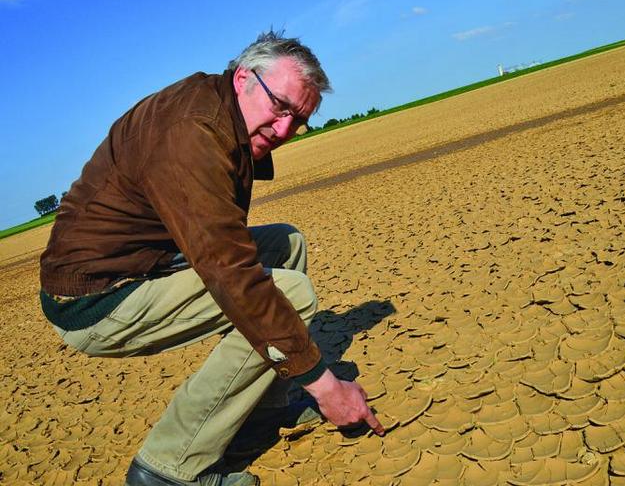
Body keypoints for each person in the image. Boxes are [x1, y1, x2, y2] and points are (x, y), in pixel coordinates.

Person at [39, 31, 384, 486]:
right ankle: (167, 469)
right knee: (287, 294)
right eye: (280, 107)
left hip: (145, 264)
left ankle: (263, 411)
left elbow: (225, 245)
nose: (283, 130)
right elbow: (231, 273)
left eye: (297, 121)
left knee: (285, 243)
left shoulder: (220, 107)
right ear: (244, 78)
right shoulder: (192, 132)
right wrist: (326, 387)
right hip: (97, 297)